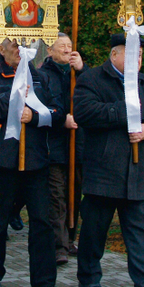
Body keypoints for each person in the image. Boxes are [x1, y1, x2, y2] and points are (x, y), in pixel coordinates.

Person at [73, 34, 144, 287]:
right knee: (95, 229)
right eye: (132, 55)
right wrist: (125, 111)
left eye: (140, 56)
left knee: (140, 232)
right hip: (104, 171)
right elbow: (84, 112)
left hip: (138, 171)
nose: (138, 61)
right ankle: (89, 278)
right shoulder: (92, 79)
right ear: (114, 55)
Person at [0, 38, 66, 287]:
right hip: (1, 161)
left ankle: (44, 284)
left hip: (35, 161)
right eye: (15, 45)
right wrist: (10, 99)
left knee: (42, 223)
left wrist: (33, 116)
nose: (20, 50)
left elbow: (57, 113)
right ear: (1, 49)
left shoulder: (39, 77)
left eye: (24, 44)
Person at [39, 33, 85, 265]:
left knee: (74, 195)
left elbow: (89, 97)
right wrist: (61, 120)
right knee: (57, 196)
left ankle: (70, 239)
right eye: (62, 47)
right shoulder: (43, 75)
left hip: (77, 146)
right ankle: (58, 244)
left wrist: (82, 70)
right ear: (50, 51)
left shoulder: (79, 73)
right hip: (54, 146)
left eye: (70, 46)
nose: (68, 50)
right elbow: (42, 108)